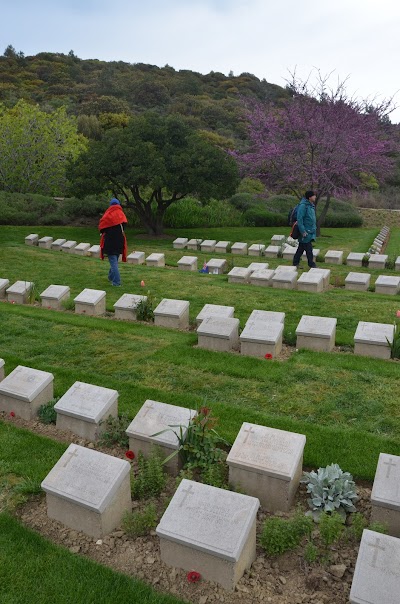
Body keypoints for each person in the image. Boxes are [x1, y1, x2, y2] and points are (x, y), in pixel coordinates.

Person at [99, 198, 128, 286]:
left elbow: (102, 228)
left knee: (113, 261)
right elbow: (124, 226)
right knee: (114, 259)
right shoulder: (121, 214)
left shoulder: (107, 215)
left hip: (110, 241)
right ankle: (111, 277)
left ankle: (116, 282)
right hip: (119, 240)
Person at [292, 190, 317, 268]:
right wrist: (302, 231)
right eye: (314, 195)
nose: (315, 197)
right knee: (309, 249)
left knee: (301, 248)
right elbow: (300, 219)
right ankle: (311, 264)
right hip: (305, 231)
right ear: (310, 197)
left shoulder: (311, 205)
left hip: (310, 230)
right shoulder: (303, 206)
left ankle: (295, 263)